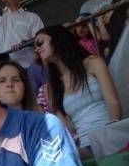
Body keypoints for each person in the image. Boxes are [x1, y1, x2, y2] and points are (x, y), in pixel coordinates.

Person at [35, 25, 122, 156]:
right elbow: (69, 128)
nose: (37, 49)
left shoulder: (93, 63)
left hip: (110, 135)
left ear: (57, 39)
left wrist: (111, 136)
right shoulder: (51, 87)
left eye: (40, 43)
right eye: (35, 47)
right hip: (85, 147)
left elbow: (113, 102)